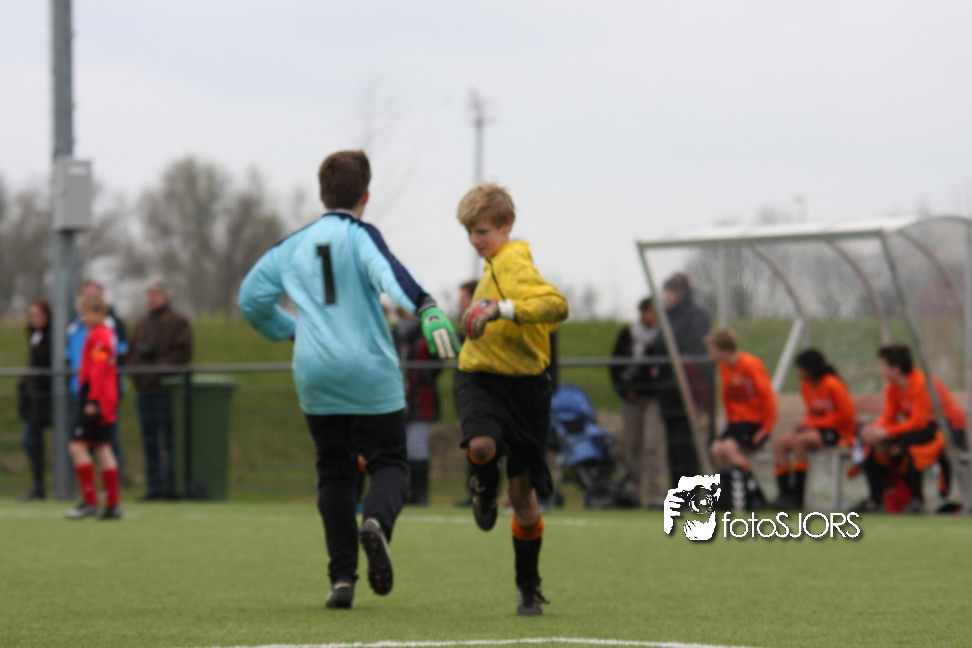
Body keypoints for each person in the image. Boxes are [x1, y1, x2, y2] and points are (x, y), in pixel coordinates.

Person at [238, 150, 460, 610]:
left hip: (316, 373)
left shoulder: (294, 244)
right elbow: (390, 276)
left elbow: (250, 299)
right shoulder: (361, 236)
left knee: (335, 473)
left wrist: (291, 331)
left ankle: (341, 579)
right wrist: (426, 306)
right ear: (366, 195)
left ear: (321, 194)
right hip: (368, 370)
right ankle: (376, 523)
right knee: (390, 462)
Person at [453, 182, 569, 616]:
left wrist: (499, 309)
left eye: (482, 230)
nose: (474, 239)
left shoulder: (513, 261)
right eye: (469, 231)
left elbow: (557, 306)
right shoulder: (493, 263)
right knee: (482, 444)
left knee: (522, 498)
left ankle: (528, 584)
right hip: (481, 378)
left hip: (526, 390)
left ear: (507, 225)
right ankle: (484, 488)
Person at [858, 344, 955, 512]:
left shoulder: (920, 382)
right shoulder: (893, 387)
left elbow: (919, 421)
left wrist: (886, 432)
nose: (880, 370)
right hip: (919, 429)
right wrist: (874, 429)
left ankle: (917, 500)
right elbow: (888, 416)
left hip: (946, 428)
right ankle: (876, 499)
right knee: (870, 442)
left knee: (910, 444)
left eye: (882, 366)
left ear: (896, 369)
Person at [127, 277, 193, 501]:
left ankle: (170, 486)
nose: (151, 299)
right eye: (149, 295)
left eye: (155, 295)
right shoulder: (142, 323)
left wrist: (156, 372)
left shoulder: (178, 322)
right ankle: (153, 487)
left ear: (166, 297)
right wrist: (137, 375)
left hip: (166, 391)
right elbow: (131, 353)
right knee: (150, 441)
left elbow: (182, 354)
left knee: (169, 440)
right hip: (144, 391)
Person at [771, 348, 856, 509]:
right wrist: (804, 422)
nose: (798, 371)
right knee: (780, 443)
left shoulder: (832, 384)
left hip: (839, 432)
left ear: (811, 369)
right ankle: (785, 494)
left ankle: (798, 497)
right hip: (818, 429)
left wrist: (813, 423)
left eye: (800, 367)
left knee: (799, 442)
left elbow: (846, 416)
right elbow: (812, 412)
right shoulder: (806, 384)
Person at [64, 292, 123, 520]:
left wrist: (92, 400)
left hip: (96, 397)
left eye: (86, 314)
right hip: (105, 398)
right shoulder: (105, 334)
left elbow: (98, 370)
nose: (83, 319)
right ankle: (113, 504)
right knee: (102, 447)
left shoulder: (100, 336)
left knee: (77, 447)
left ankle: (90, 502)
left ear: (99, 312)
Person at [652, 272, 712, 487]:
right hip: (668, 391)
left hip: (689, 389)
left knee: (687, 443)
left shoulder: (696, 316)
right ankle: (677, 489)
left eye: (669, 292)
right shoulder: (667, 317)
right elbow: (659, 345)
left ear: (680, 292)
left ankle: (691, 491)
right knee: (673, 445)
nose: (666, 297)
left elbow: (693, 347)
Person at [706, 327, 777, 507]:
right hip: (736, 422)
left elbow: (767, 397)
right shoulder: (723, 367)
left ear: (725, 350)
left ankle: (755, 493)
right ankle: (728, 496)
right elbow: (727, 398)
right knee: (716, 448)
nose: (710, 356)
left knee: (729, 448)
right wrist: (729, 423)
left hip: (754, 421)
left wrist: (766, 428)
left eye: (713, 351)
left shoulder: (750, 364)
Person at [610, 296, 666, 508]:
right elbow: (615, 366)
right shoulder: (627, 334)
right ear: (642, 312)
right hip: (631, 399)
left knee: (654, 446)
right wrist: (625, 391)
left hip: (653, 399)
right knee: (633, 445)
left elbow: (665, 369)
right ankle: (635, 492)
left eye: (656, 311)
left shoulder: (663, 336)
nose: (653, 315)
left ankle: (657, 495)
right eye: (649, 311)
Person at [393, 307, 442, 505]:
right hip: (397, 396)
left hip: (421, 398)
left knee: (417, 445)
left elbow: (438, 360)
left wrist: (424, 376)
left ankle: (419, 494)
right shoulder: (396, 331)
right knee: (399, 446)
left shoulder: (427, 331)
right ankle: (401, 491)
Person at [18, 299, 52, 500]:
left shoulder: (53, 336)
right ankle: (38, 486)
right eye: (32, 315)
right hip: (34, 399)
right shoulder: (34, 335)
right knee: (30, 441)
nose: (35, 319)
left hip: (50, 398)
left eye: (38, 314)